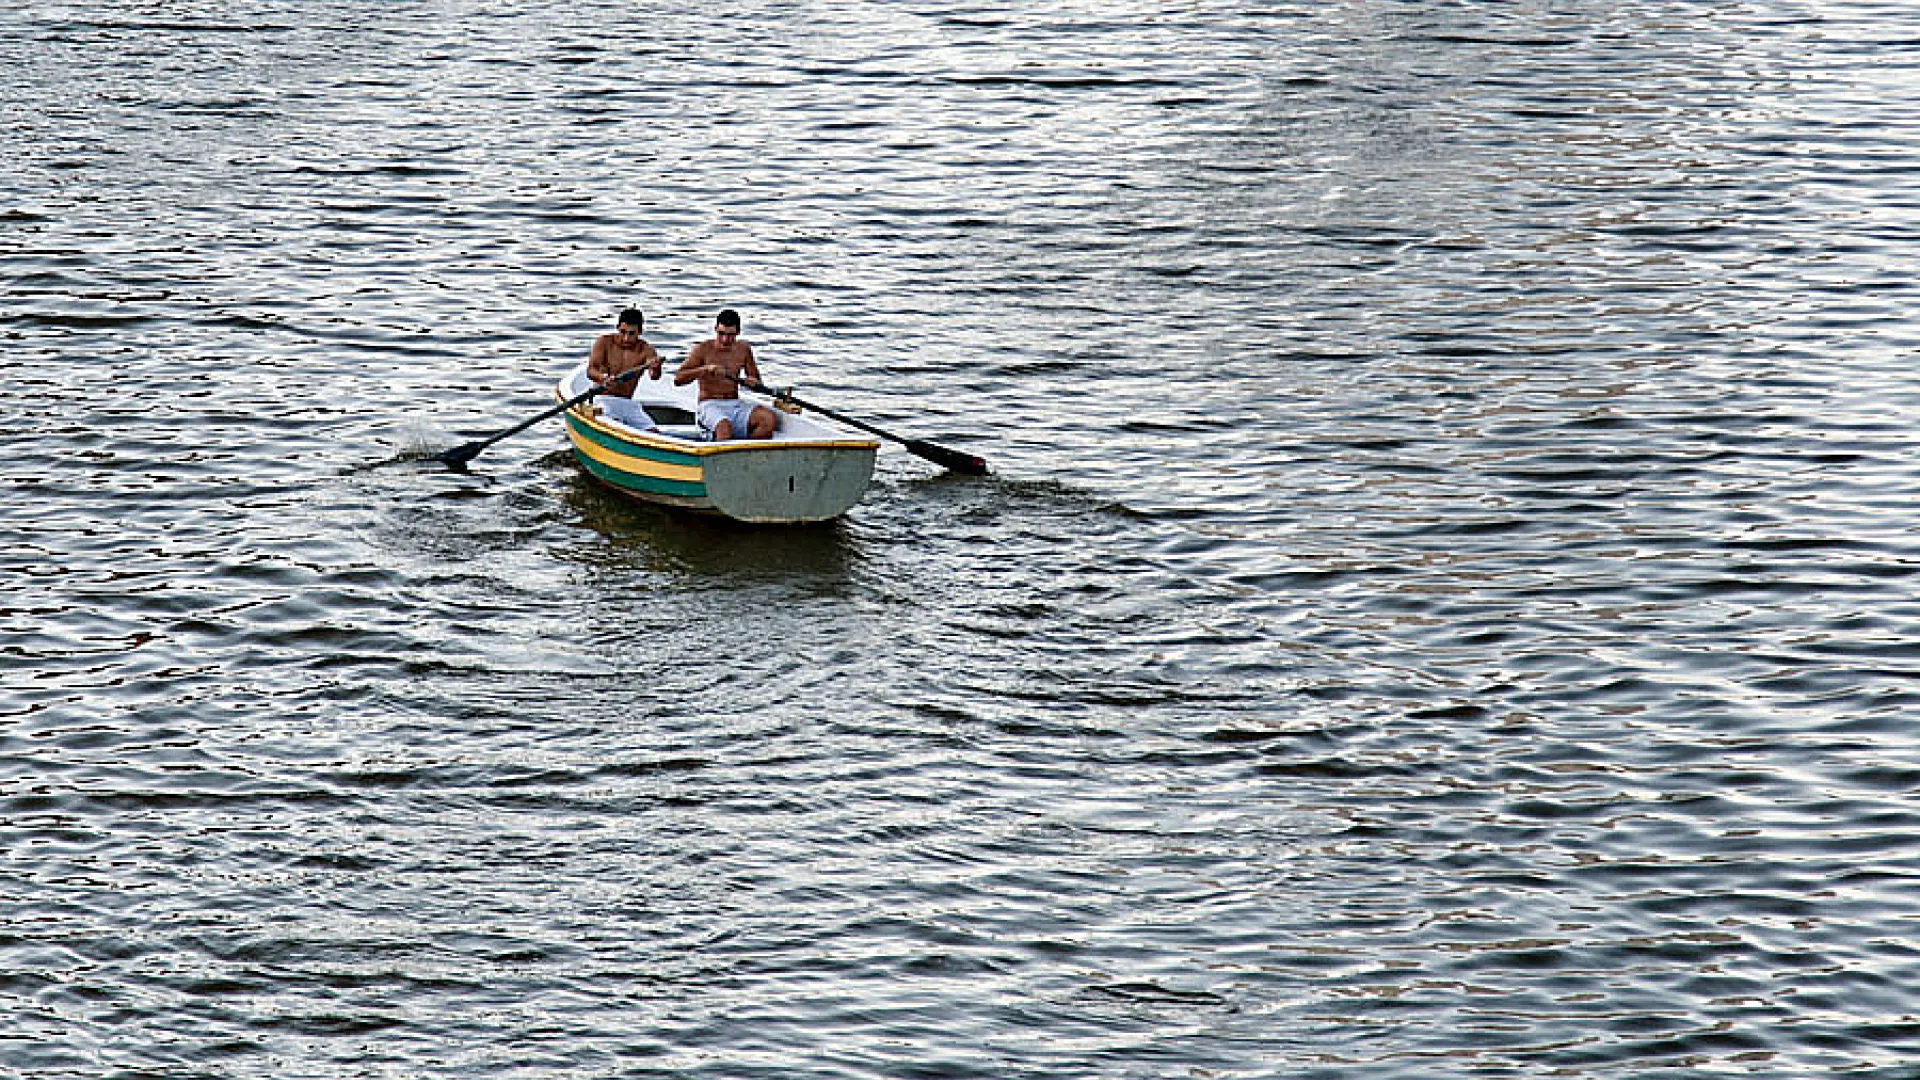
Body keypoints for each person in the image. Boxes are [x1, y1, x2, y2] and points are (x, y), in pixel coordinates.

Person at [674, 308, 777, 440]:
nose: (725, 340)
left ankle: (747, 454)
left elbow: (756, 380)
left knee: (767, 420)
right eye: (721, 333)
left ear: (738, 332)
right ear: (715, 328)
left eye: (730, 335)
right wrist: (705, 370)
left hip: (735, 403)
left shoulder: (744, 349)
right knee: (724, 428)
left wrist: (752, 382)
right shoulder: (702, 349)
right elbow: (678, 379)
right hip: (709, 405)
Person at [587, 308, 663, 430]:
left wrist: (656, 367)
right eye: (623, 332)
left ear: (640, 332)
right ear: (617, 327)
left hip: (627, 403)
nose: (626, 338)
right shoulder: (604, 342)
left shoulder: (646, 349)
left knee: (653, 432)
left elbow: (654, 376)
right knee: (614, 425)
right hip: (602, 400)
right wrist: (604, 378)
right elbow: (591, 371)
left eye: (631, 333)